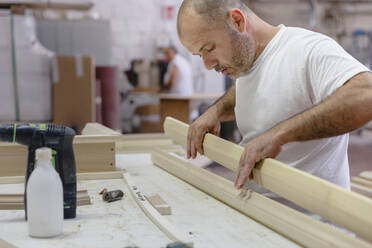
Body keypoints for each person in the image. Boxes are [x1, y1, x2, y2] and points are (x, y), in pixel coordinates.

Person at [177, 0, 372, 195]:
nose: (207, 65)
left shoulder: (309, 49)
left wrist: (279, 135)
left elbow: (366, 94)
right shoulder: (247, 64)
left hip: (307, 220)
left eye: (209, 48)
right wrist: (216, 111)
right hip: (257, 211)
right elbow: (257, 88)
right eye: (199, 55)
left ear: (237, 21)